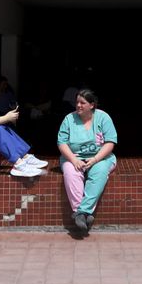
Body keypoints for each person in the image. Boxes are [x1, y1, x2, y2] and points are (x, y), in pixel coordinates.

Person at [57, 88, 117, 233]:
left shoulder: (103, 117)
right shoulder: (69, 119)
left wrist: (95, 159)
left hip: (100, 157)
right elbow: (62, 142)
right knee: (71, 173)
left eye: (82, 103)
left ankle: (81, 212)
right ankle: (83, 214)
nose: (78, 105)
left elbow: (110, 142)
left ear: (92, 105)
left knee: (99, 172)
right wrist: (73, 160)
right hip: (74, 157)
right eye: (77, 102)